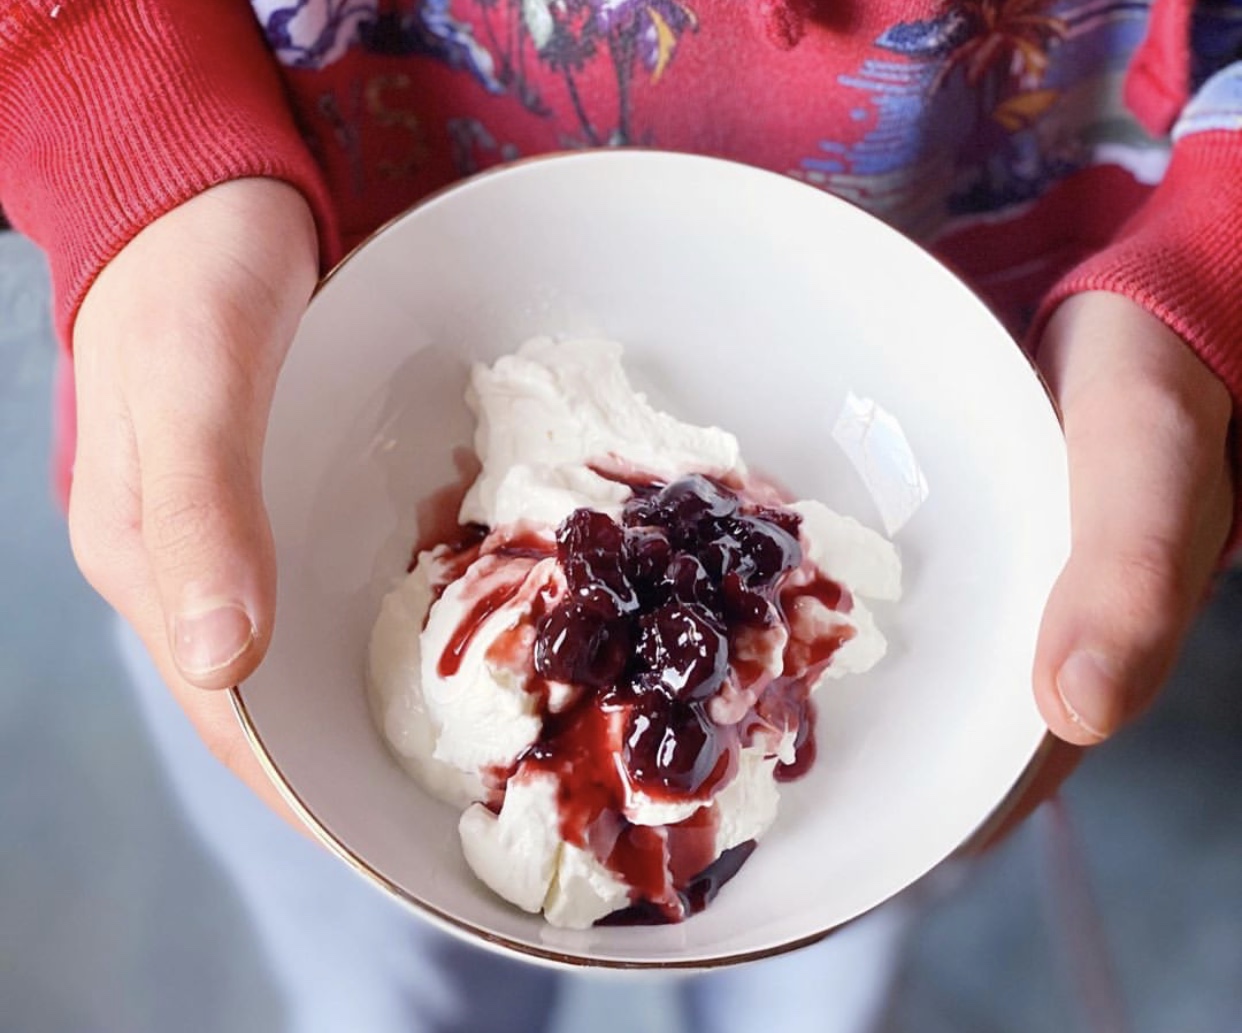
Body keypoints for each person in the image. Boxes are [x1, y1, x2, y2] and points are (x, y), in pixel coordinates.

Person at [1, 1, 1238, 1030]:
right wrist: (111, 97)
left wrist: (1211, 270)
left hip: (1006, 378)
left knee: (815, 977)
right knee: (382, 985)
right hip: (250, 390)